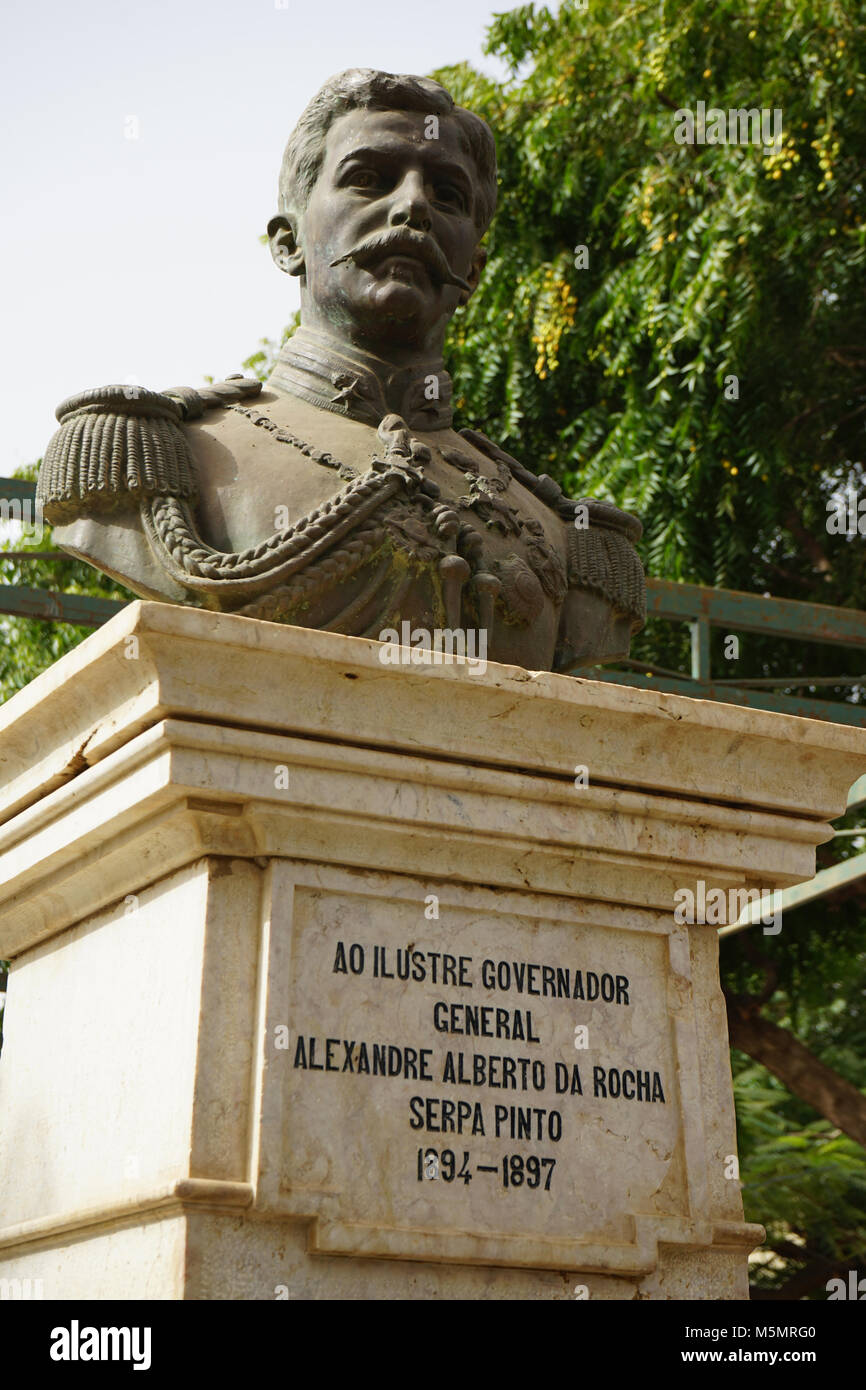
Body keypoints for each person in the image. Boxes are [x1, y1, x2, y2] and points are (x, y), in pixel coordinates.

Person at [38, 69, 644, 672]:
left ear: (475, 271)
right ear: (288, 243)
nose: (412, 207)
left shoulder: (570, 538)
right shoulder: (152, 453)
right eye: (368, 180)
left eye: (448, 196)